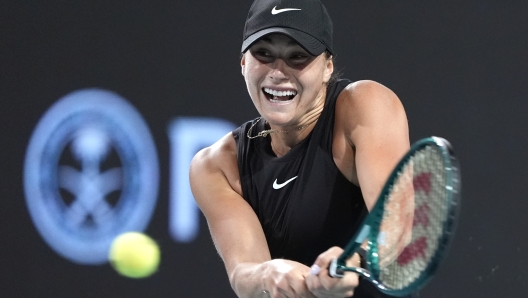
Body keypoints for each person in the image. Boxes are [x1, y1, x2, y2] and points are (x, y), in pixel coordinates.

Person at [190, 0, 412, 297]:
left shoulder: (366, 105)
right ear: (243, 63)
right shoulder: (216, 166)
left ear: (327, 67)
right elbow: (244, 272)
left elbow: (396, 224)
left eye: (298, 57)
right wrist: (268, 274)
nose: (278, 72)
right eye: (264, 54)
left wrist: (352, 260)